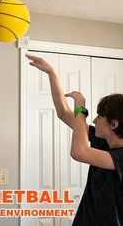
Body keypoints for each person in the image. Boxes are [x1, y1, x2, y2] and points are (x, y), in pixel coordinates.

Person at [26, 54, 123, 226]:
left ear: (114, 124)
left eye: (99, 117)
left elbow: (79, 152)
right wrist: (51, 73)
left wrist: (81, 109)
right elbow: (64, 113)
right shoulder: (104, 143)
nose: (94, 121)